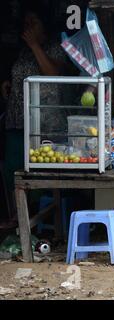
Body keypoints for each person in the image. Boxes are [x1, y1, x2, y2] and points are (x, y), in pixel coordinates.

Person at [1, 2, 68, 196]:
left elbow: (53, 74)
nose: (28, 26)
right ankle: (17, 216)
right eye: (26, 22)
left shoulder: (55, 46)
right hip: (17, 122)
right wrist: (8, 84)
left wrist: (34, 45)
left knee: (40, 172)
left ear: (44, 25)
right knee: (13, 171)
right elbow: (20, 74)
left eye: (34, 22)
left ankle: (39, 217)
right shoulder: (23, 52)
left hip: (44, 124)